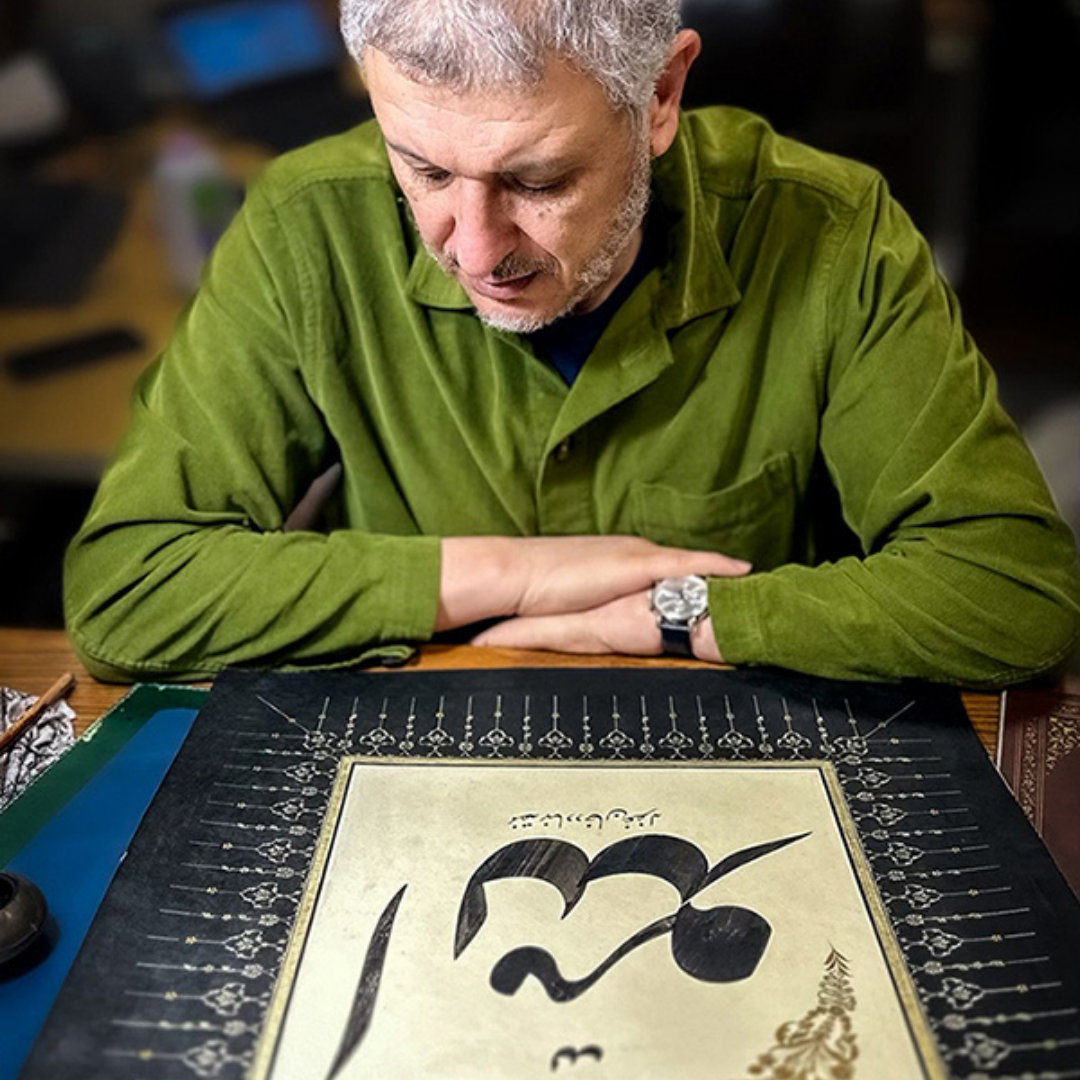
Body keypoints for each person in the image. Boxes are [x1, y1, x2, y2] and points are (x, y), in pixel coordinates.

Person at [63, 0, 1079, 686]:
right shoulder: (305, 223)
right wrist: (523, 575)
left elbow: (1011, 590)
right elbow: (128, 589)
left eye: (537, 181)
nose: (471, 246)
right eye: (419, 167)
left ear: (663, 97)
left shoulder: (830, 227)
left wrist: (677, 615)